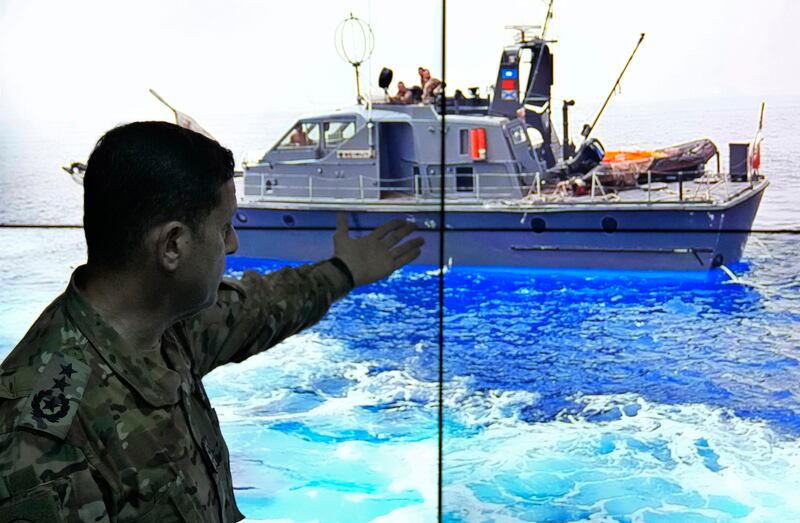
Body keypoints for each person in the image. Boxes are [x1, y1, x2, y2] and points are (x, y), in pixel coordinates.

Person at [0, 121, 423, 522]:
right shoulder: (40, 438)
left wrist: (344, 271)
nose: (234, 244)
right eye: (225, 227)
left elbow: (259, 306)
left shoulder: (162, 327)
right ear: (173, 245)